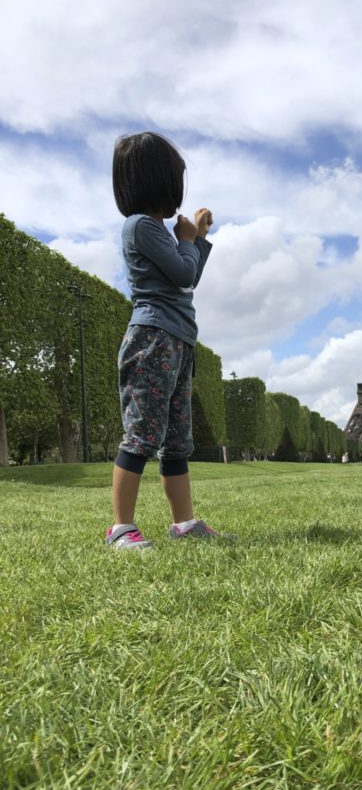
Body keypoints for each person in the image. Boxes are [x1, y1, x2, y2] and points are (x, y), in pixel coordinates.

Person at [107, 132, 223, 550]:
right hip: (153, 340)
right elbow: (184, 273)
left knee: (176, 440)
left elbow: (184, 277)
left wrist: (199, 239)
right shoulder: (140, 226)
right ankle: (121, 527)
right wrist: (189, 240)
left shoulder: (154, 229)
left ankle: (184, 522)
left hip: (174, 340)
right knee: (142, 434)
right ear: (159, 181)